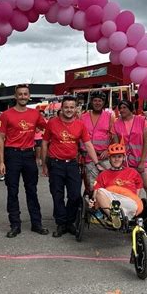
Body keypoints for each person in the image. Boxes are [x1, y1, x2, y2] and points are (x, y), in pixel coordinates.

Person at [42, 95, 101, 238]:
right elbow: (44, 142)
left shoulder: (80, 125)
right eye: (66, 107)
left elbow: (87, 144)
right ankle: (61, 224)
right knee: (57, 195)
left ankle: (70, 222)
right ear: (61, 108)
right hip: (56, 164)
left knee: (75, 196)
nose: (69, 110)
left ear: (76, 109)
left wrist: (97, 163)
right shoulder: (52, 123)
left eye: (72, 107)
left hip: (73, 164)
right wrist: (44, 163)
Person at [0, 84, 49, 238]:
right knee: (12, 191)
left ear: (29, 95)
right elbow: (0, 138)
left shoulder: (35, 114)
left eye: (25, 94)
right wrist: (1, 161)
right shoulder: (6, 115)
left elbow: (49, 128)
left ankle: (36, 223)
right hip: (12, 155)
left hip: (29, 155)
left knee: (31, 190)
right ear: (15, 96)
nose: (23, 97)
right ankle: (15, 225)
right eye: (20, 94)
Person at [113, 100, 147, 231]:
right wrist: (119, 162)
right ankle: (135, 214)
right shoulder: (117, 124)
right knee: (130, 189)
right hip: (127, 161)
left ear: (130, 109)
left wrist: (142, 161)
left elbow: (146, 141)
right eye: (120, 108)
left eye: (124, 107)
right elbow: (117, 145)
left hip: (142, 159)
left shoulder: (140, 120)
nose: (121, 110)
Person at [91, 142, 144, 229]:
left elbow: (138, 187)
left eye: (119, 156)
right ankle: (114, 217)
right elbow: (96, 192)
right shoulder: (103, 174)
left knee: (102, 192)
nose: (116, 159)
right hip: (111, 203)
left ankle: (116, 217)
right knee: (100, 192)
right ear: (109, 158)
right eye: (113, 157)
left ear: (123, 158)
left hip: (128, 201)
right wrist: (93, 202)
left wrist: (136, 198)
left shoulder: (132, 172)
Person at [80, 91, 114, 195]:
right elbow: (79, 136)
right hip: (89, 157)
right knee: (92, 185)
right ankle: (93, 207)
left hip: (104, 157)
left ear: (104, 103)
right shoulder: (83, 117)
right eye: (95, 100)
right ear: (91, 101)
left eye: (100, 101)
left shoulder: (109, 116)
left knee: (109, 184)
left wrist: (108, 150)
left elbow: (113, 136)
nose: (97, 103)